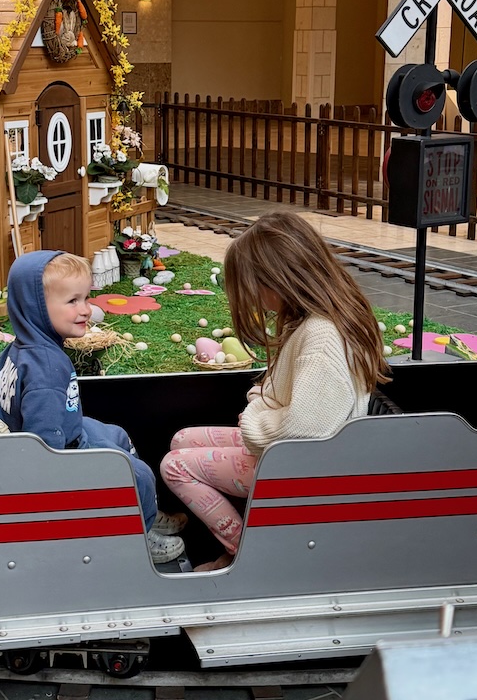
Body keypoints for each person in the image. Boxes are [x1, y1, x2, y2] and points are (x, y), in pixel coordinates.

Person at [160, 211, 391, 570]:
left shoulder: (322, 336)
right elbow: (275, 391)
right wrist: (260, 406)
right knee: (181, 440)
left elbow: (304, 428)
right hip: (288, 451)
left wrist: (254, 417)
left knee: (175, 467)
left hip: (304, 465)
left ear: (277, 281)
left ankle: (246, 554)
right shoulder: (312, 321)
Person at [0, 250, 187, 563]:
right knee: (138, 473)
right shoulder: (48, 369)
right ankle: (139, 532)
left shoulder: (21, 348)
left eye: (86, 298)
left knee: (117, 434)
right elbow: (45, 452)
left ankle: (139, 506)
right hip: (60, 456)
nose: (86, 310)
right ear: (36, 307)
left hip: (67, 431)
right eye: (72, 302)